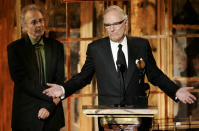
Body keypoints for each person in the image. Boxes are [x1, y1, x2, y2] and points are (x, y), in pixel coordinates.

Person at [43, 5, 197, 130]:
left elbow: (155, 74)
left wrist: (175, 91)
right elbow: (83, 77)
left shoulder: (141, 45)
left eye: (116, 24)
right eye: (107, 25)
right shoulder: (95, 48)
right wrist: (63, 89)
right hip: (109, 119)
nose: (111, 28)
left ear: (126, 22)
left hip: (138, 115)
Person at [7, 4, 65, 131]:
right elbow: (23, 82)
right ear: (24, 26)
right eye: (34, 22)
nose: (39, 25)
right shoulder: (14, 49)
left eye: (41, 20)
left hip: (52, 116)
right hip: (26, 117)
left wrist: (50, 107)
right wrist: (51, 99)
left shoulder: (57, 47)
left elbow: (60, 80)